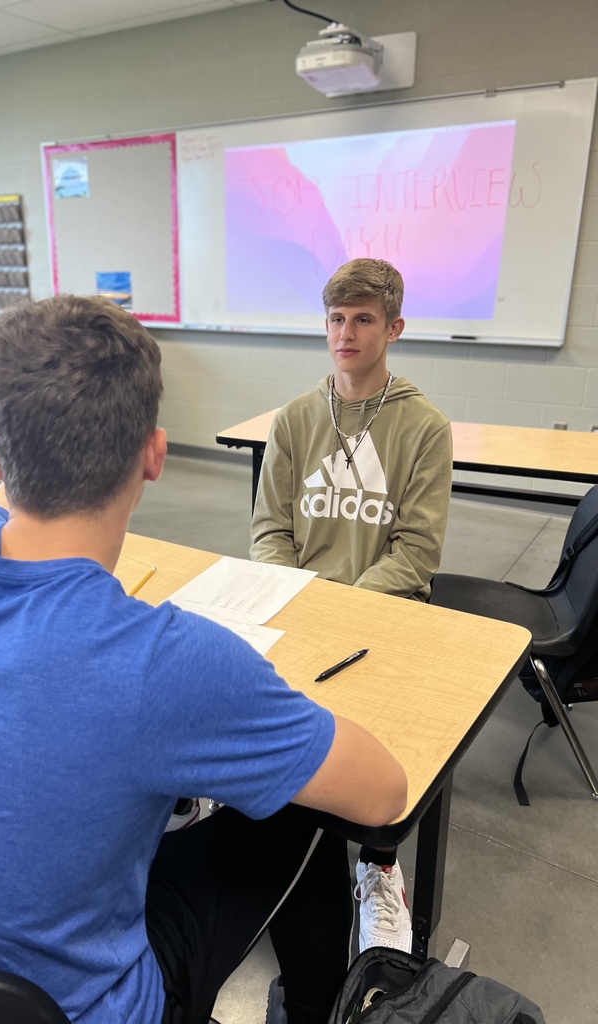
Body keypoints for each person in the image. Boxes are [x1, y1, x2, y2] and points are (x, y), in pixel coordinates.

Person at [0, 294, 407, 1024]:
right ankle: (312, 1008)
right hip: (88, 1013)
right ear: (155, 454)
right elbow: (384, 796)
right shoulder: (169, 663)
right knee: (298, 811)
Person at [251, 258, 453, 956]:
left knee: (379, 767)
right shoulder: (298, 419)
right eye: (337, 318)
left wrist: (343, 611)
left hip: (385, 615)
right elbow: (269, 530)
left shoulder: (423, 427)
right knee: (269, 720)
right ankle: (283, 853)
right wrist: (296, 596)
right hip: (301, 606)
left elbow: (416, 555)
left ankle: (379, 868)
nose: (347, 332)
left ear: (394, 327)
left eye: (363, 319)